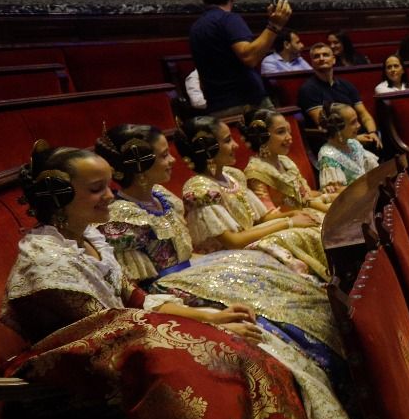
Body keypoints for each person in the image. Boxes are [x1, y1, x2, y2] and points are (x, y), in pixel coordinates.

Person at [1, 142, 364, 419]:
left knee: (258, 332)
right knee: (244, 354)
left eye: (108, 185)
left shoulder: (87, 238)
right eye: (96, 189)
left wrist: (211, 317)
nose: (110, 195)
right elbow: (107, 329)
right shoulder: (47, 262)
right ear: (58, 198)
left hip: (135, 335)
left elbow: (136, 298)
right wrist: (205, 330)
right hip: (95, 362)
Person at [92, 124, 352, 370]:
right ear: (140, 167)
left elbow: (187, 250)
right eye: (163, 156)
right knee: (265, 310)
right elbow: (139, 287)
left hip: (197, 267)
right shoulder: (123, 217)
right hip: (172, 287)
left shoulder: (162, 197)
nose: (172, 161)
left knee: (281, 282)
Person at [177, 116, 328, 280]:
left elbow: (260, 219)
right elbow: (233, 242)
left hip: (248, 241)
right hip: (229, 256)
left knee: (312, 222)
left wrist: (292, 215)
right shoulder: (200, 189)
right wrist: (288, 223)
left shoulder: (232, 175)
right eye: (227, 141)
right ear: (208, 149)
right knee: (291, 236)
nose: (235, 145)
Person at [188, 0, 285, 117]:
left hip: (217, 107)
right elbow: (249, 56)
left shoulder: (196, 27)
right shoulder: (228, 19)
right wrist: (275, 26)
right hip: (247, 105)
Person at [244, 109, 335, 214]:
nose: (289, 137)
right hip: (285, 223)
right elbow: (268, 215)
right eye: (281, 132)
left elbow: (305, 198)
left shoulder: (285, 161)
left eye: (288, 131)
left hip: (306, 213)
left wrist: (326, 195)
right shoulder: (255, 171)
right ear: (262, 137)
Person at [297, 42, 380, 148]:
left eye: (325, 55)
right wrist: (356, 139)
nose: (321, 58)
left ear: (334, 59)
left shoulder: (346, 85)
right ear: (312, 62)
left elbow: (363, 114)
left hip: (357, 134)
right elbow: (326, 125)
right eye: (316, 56)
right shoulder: (308, 89)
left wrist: (372, 132)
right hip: (332, 142)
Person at [316, 104, 380, 193]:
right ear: (338, 128)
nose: (359, 125)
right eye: (353, 122)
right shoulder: (328, 155)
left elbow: (373, 170)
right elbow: (337, 193)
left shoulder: (353, 143)